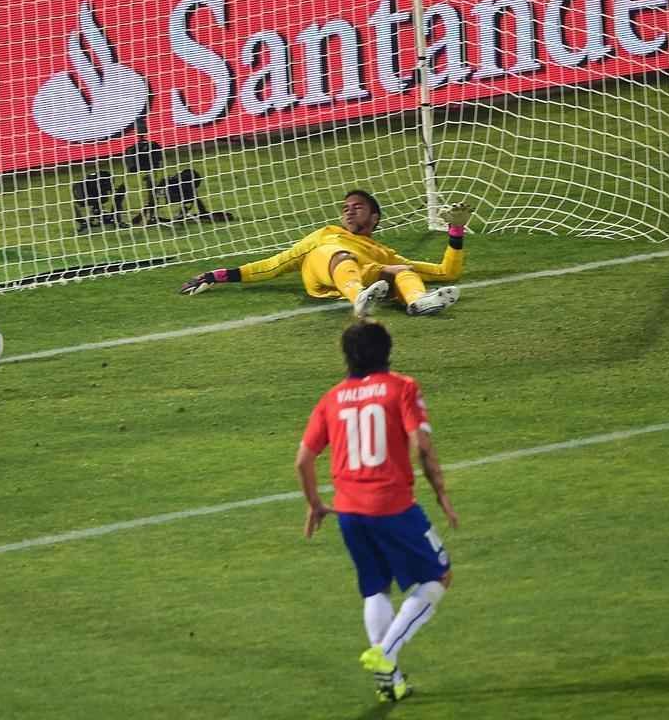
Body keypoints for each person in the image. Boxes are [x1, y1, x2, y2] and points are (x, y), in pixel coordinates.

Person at [295, 320, 459, 703]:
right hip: (393, 507)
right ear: (388, 352)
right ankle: (386, 654)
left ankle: (389, 683)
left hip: (349, 512)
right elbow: (421, 446)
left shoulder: (331, 398)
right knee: (439, 577)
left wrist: (315, 504)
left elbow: (303, 460)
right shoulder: (402, 388)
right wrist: (441, 495)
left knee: (375, 586)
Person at [179, 191, 471, 318]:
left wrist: (455, 231)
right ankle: (360, 297)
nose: (348, 210)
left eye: (357, 206)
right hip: (323, 269)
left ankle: (418, 303)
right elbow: (273, 266)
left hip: (364, 273)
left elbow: (447, 273)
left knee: (402, 272)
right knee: (339, 253)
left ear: (375, 217)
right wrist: (215, 275)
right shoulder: (326, 235)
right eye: (345, 207)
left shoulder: (384, 252)